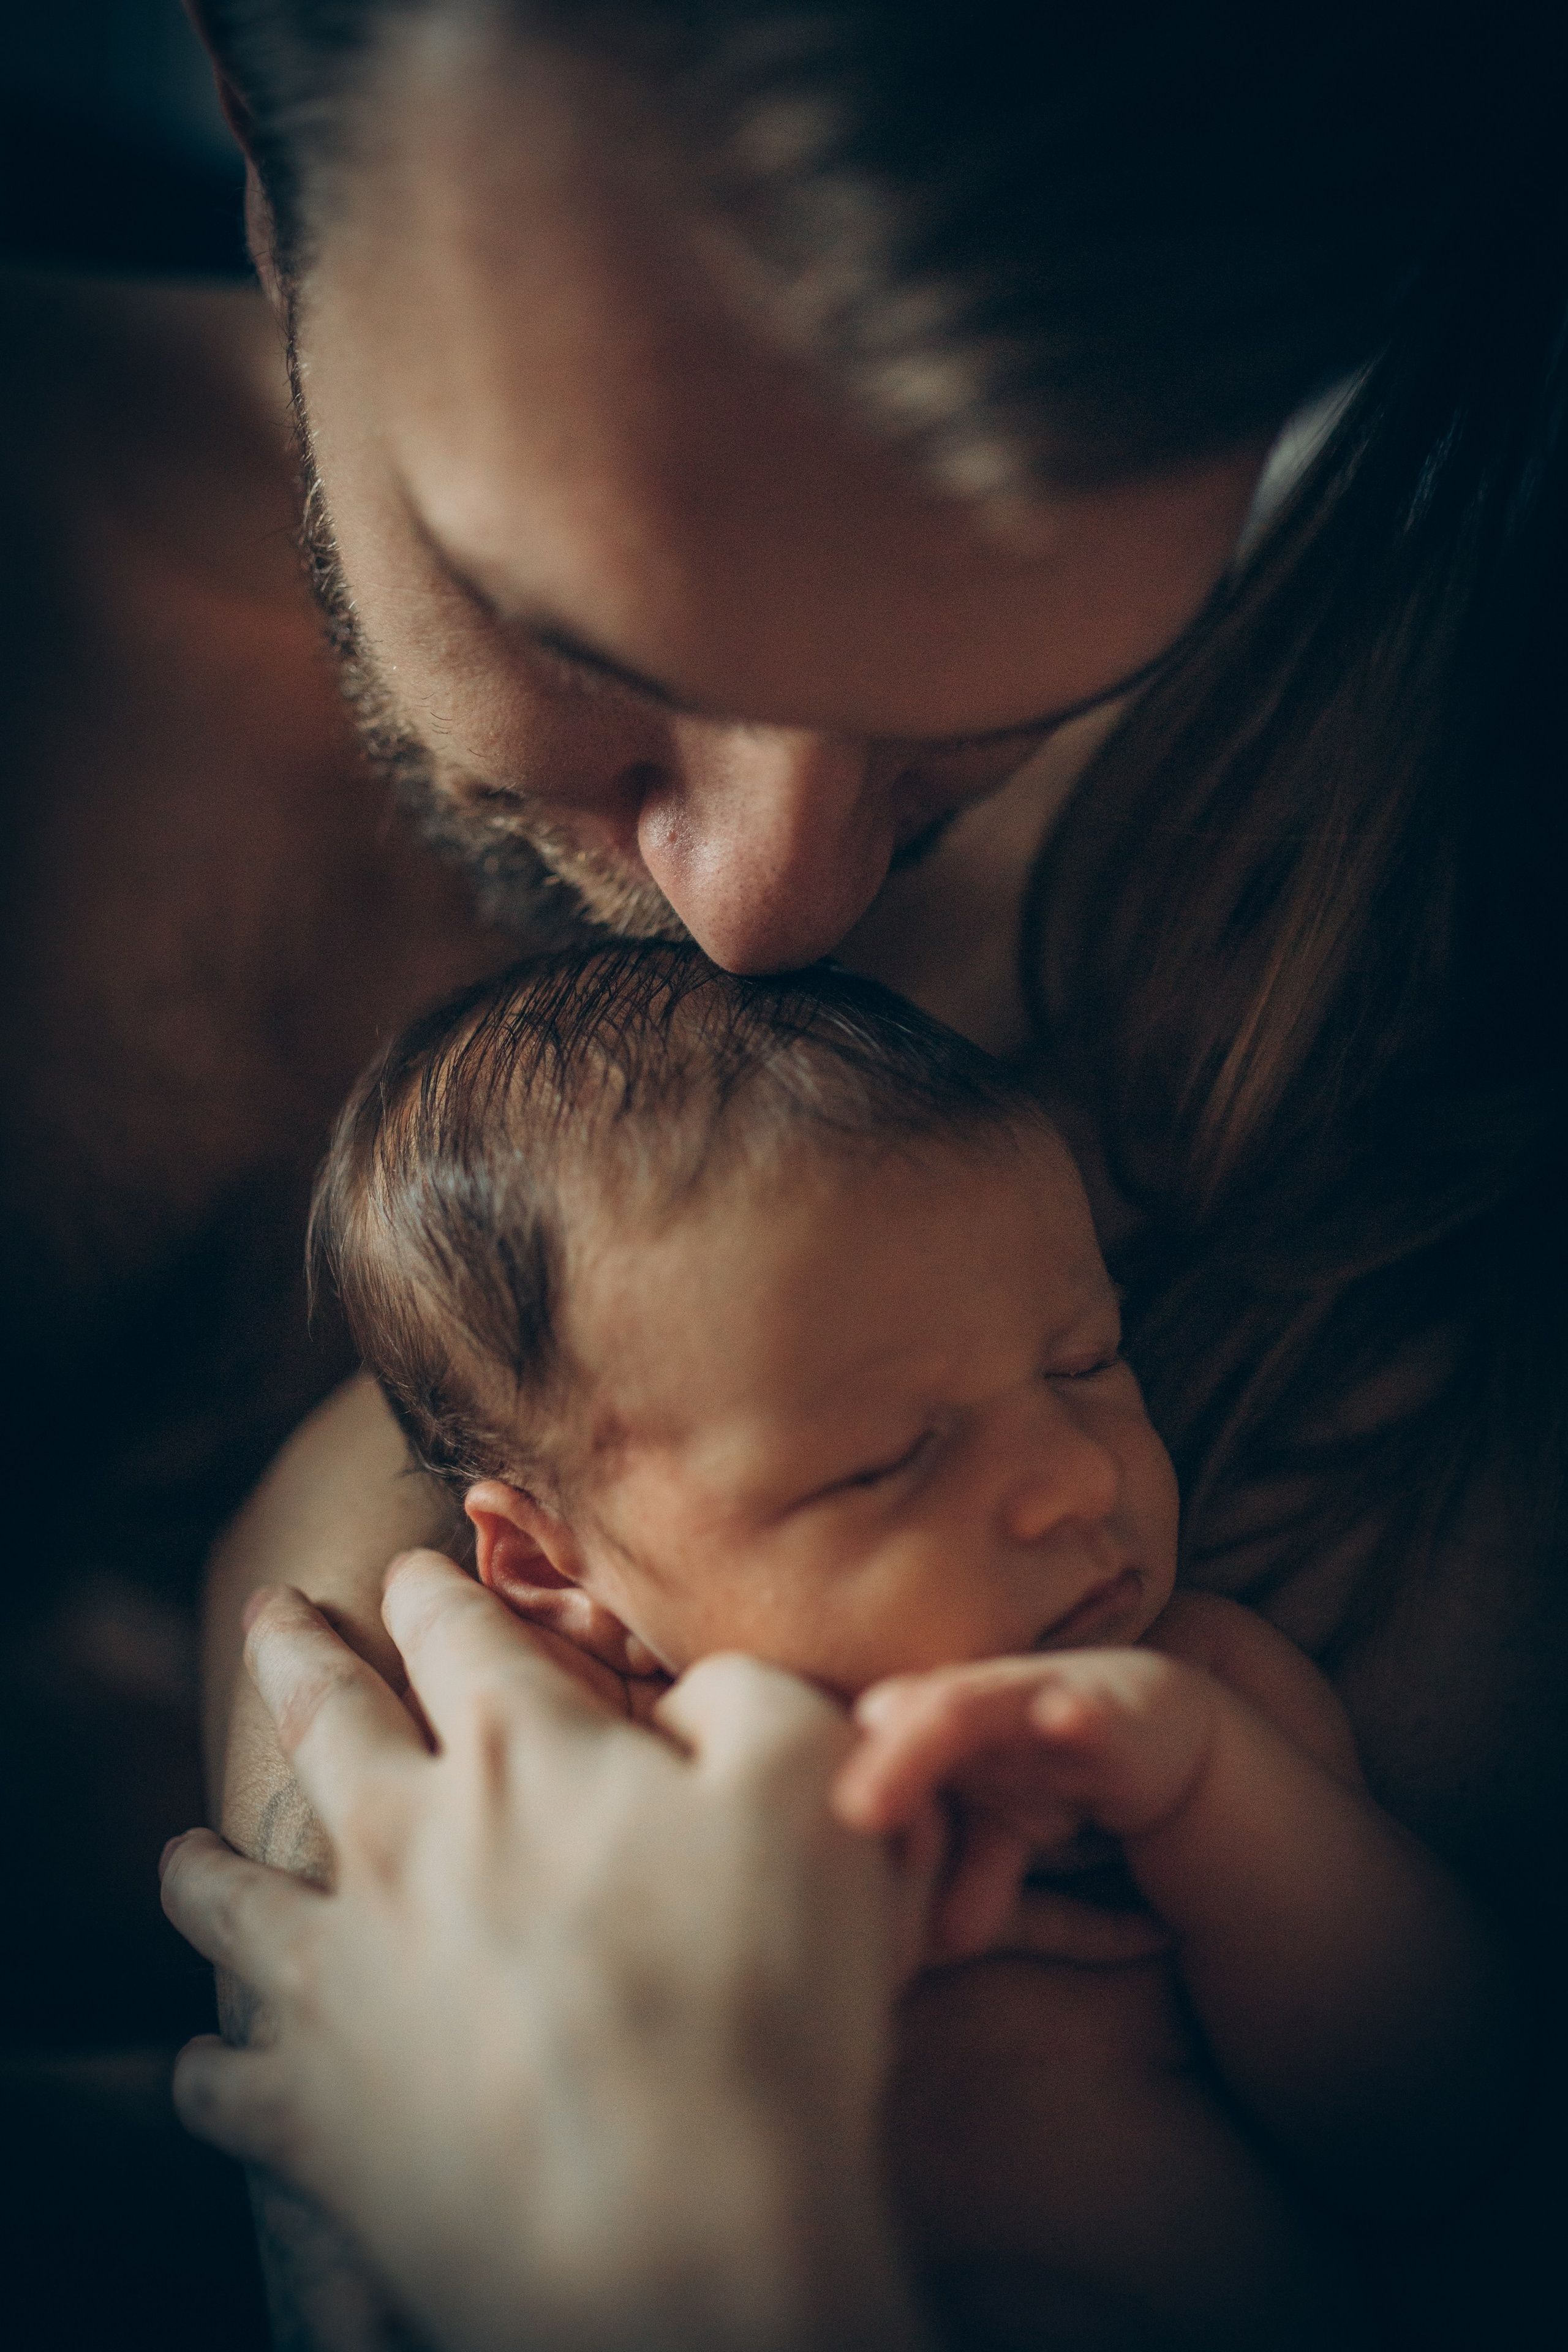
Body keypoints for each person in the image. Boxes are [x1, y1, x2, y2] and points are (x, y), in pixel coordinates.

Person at [70, 0, 1567, 2340]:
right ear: (265, 136)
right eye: (576, 634)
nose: (775, 908)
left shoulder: (1399, 814)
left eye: (970, 715)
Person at [315, 944, 1517, 2252]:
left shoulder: (1195, 1698)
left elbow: (1437, 2127)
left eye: (1084, 1361)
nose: (1071, 1479)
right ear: (554, 1570)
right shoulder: (575, 1771)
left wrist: (1201, 1795)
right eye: (887, 1460)